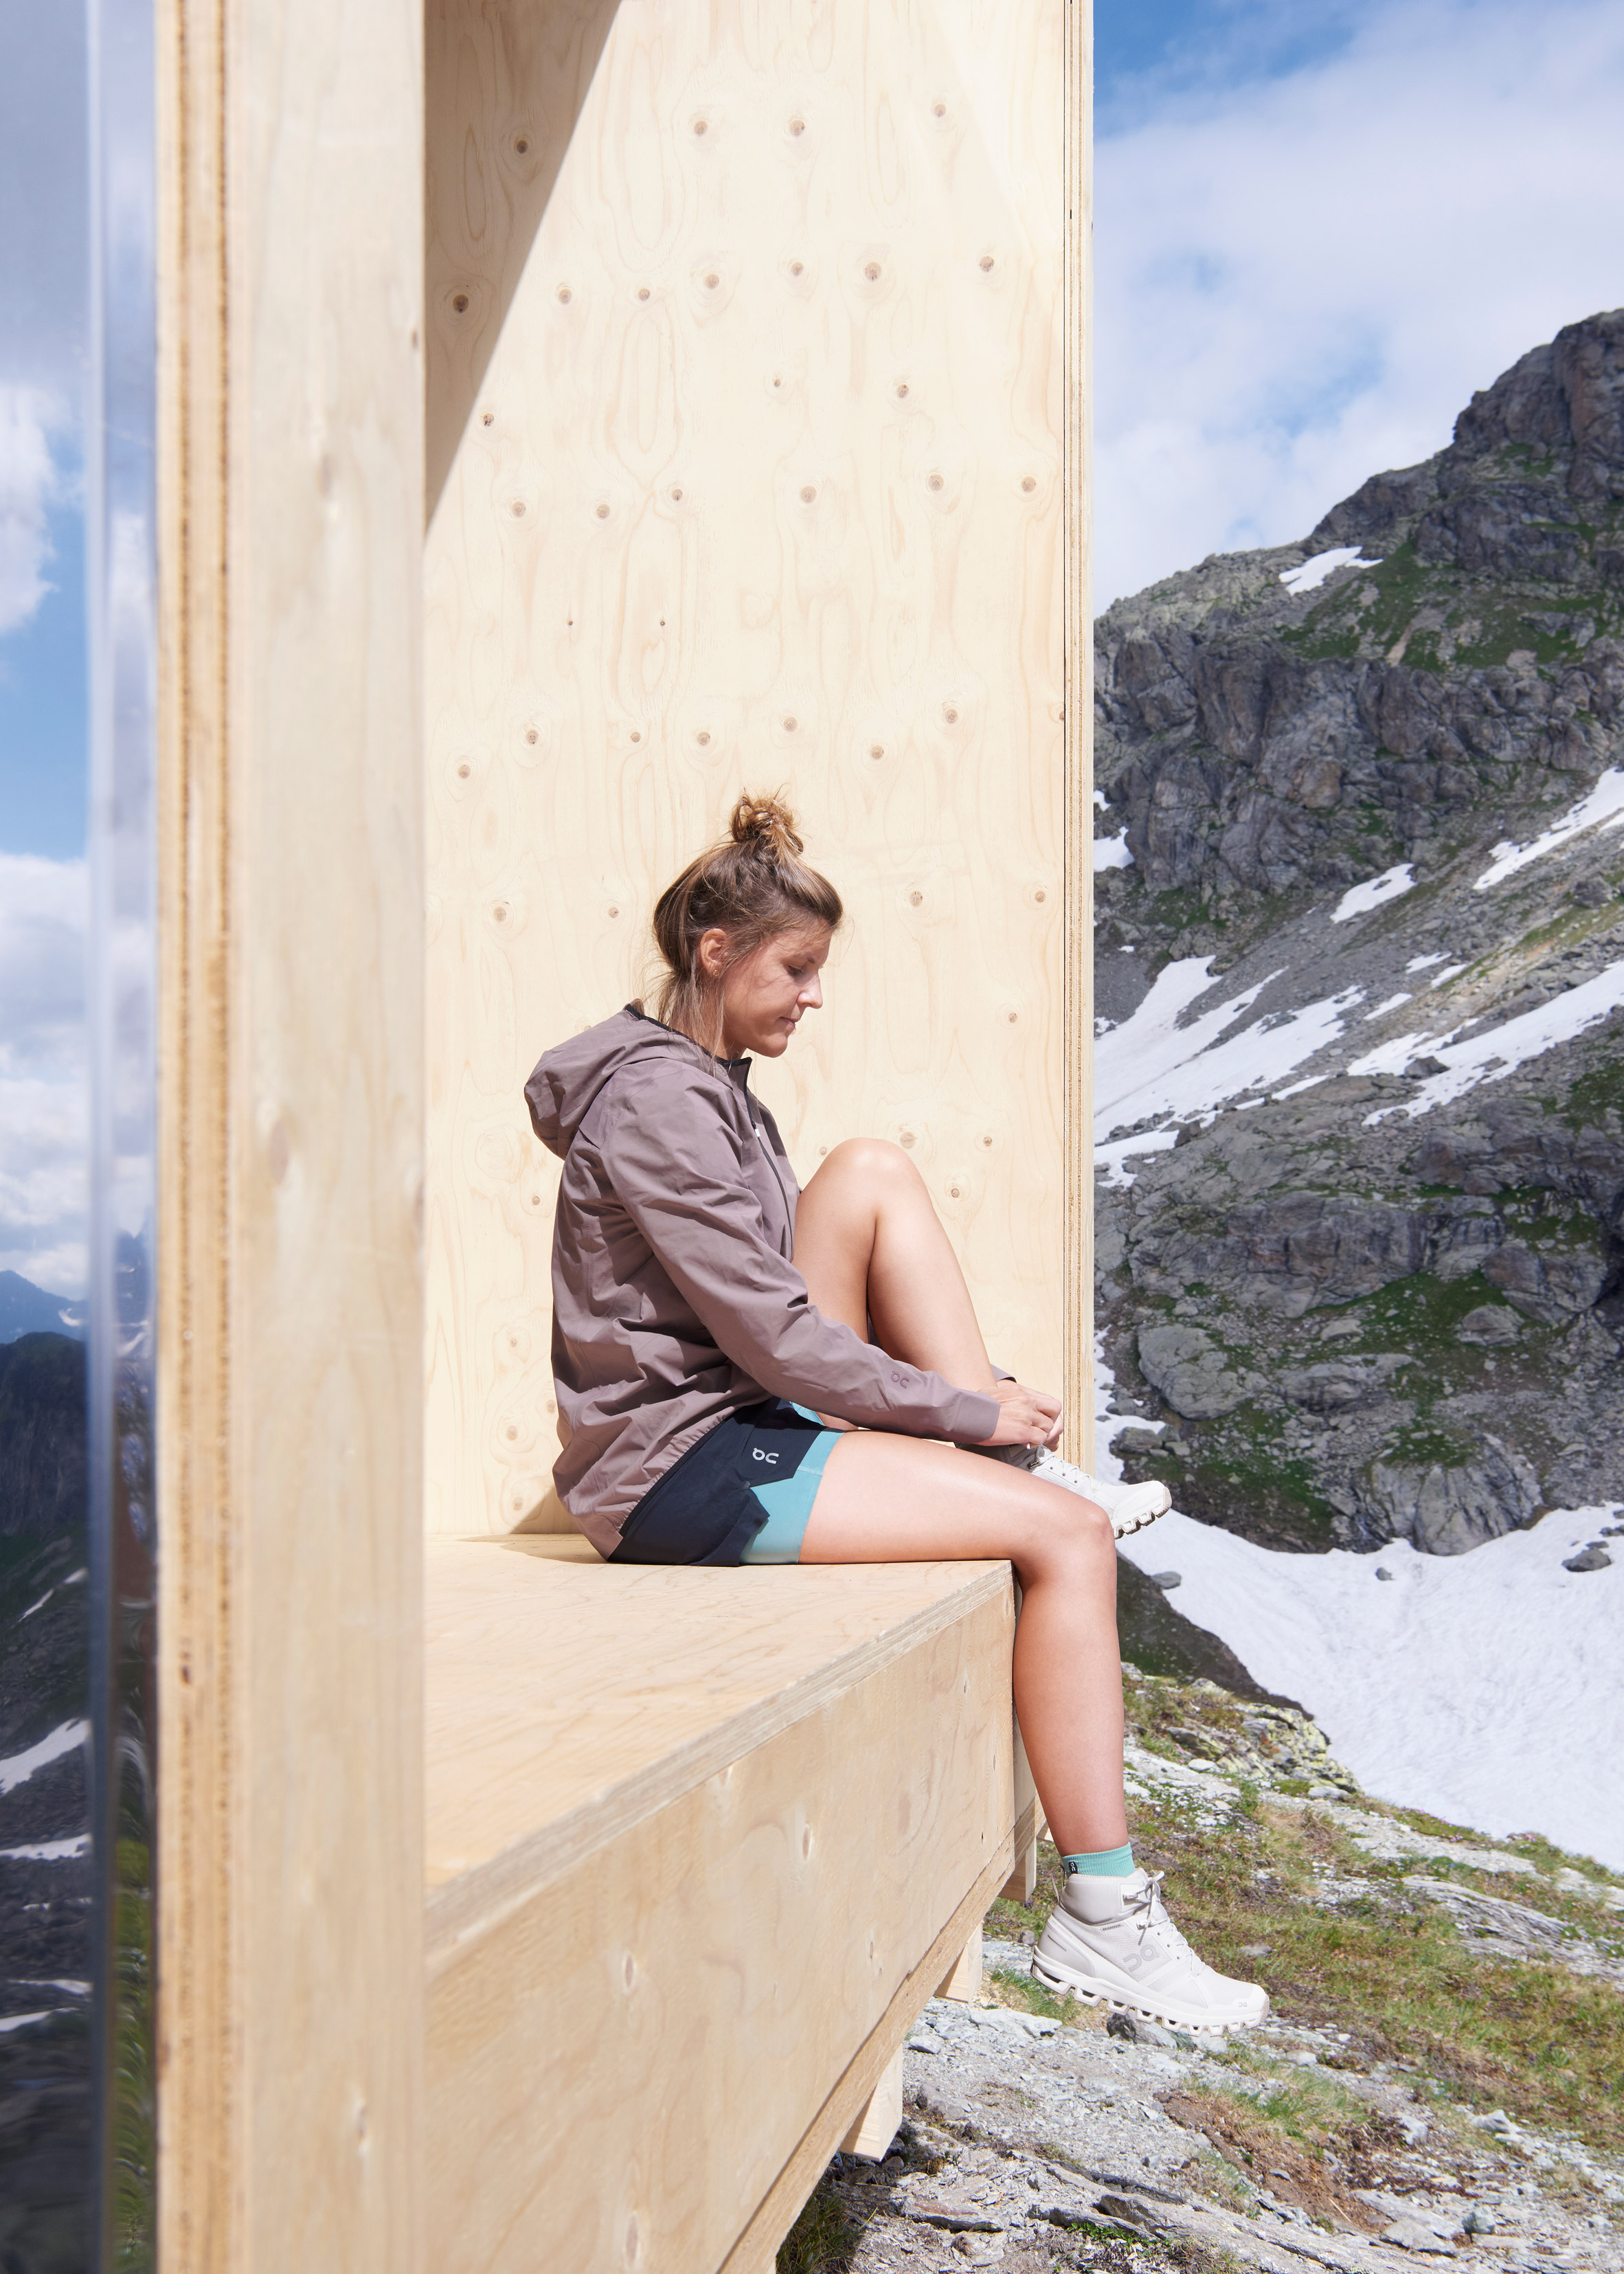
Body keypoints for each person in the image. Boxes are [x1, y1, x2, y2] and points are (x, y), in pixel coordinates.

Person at [526, 792, 1268, 2032]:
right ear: (718, 952)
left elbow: (771, 1321)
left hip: (736, 1408)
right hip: (678, 1465)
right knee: (1065, 1541)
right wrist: (969, 1412)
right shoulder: (659, 1101)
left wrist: (962, 1411)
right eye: (797, 968)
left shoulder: (714, 1082)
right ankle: (1107, 1918)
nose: (813, 995)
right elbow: (780, 1342)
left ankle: (1032, 1463)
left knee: (868, 1164)